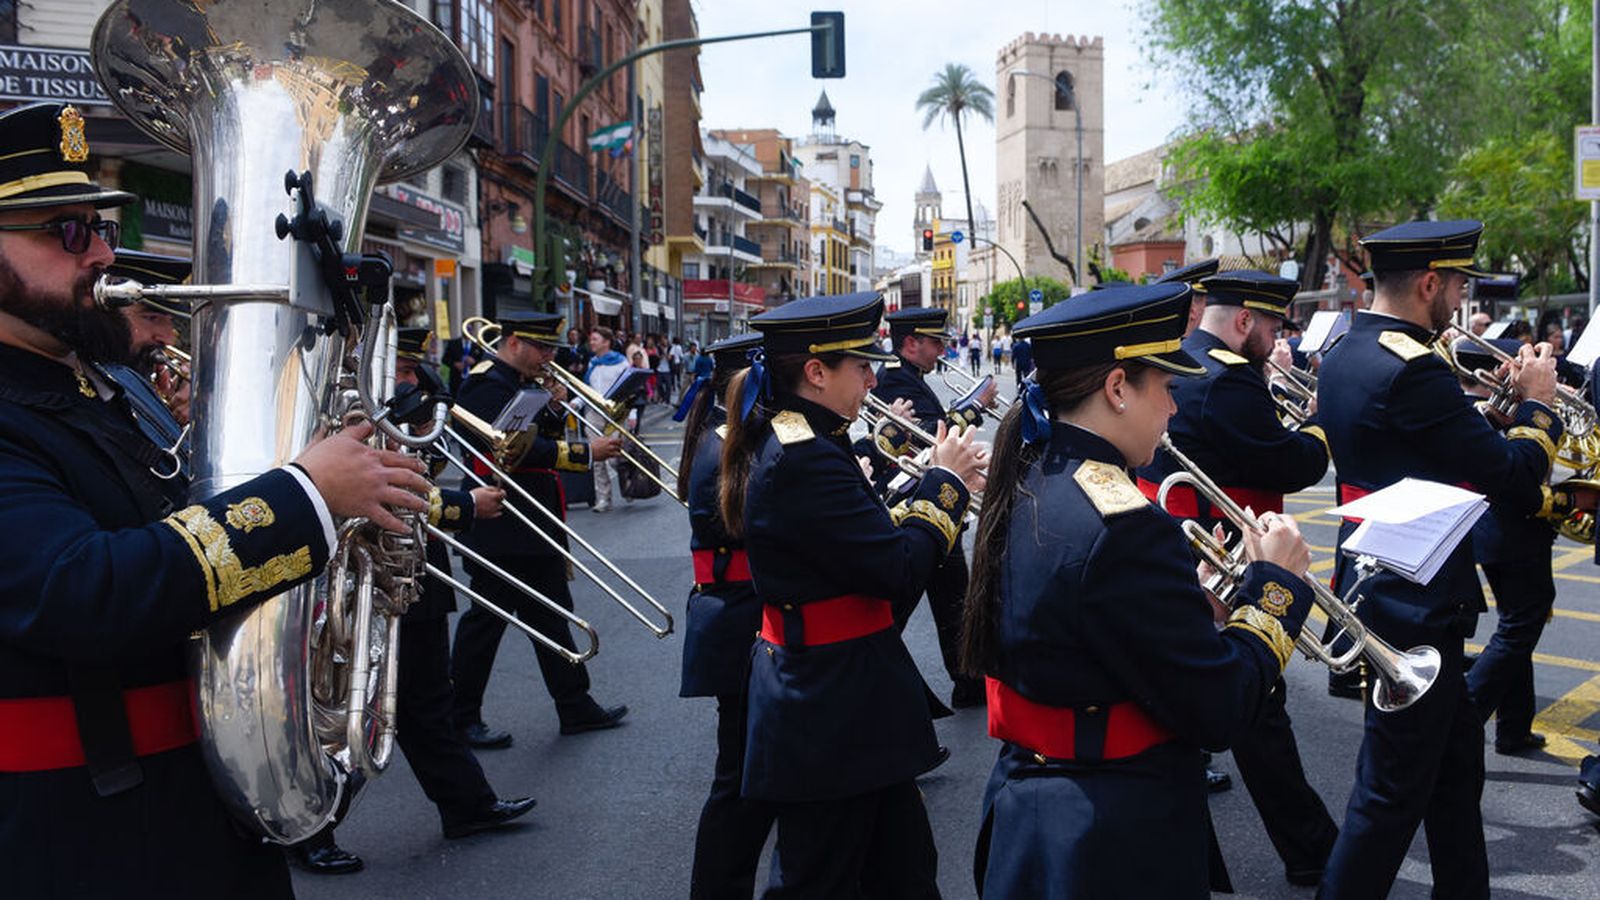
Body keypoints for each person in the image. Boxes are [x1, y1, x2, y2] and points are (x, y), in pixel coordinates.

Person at [0, 101, 434, 898]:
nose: (101, 252)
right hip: (90, 837)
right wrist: (305, 494)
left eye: (99, 227)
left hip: (202, 804)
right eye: (67, 233)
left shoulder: (109, 384)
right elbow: (79, 590)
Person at [962, 283, 1315, 899]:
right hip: (1110, 830)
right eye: (1167, 389)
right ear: (1118, 388)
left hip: (1034, 805)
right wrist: (1273, 591)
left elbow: (1081, 630)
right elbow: (1220, 710)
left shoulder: (1033, 471)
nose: (1174, 409)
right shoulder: (1126, 525)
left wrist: (1184, 605)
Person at [1315, 220, 1567, 900]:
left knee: (1456, 779)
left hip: (1382, 583)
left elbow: (1421, 445)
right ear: (1429, 283)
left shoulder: (1347, 350)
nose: (1459, 298)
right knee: (1387, 798)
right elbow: (1514, 476)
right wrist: (1537, 408)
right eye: (1456, 284)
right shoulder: (1414, 368)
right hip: (1415, 600)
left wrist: (1492, 410)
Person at [721, 291, 986, 896]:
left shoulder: (807, 433)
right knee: (818, 876)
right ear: (816, 372)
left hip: (845, 692)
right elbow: (894, 571)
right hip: (829, 703)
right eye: (860, 365)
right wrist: (944, 488)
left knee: (905, 870)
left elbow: (848, 547)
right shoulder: (805, 454)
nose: (873, 375)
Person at [292, 329, 536, 874]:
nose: (405, 379)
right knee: (344, 710)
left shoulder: (397, 403)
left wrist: (422, 436)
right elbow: (357, 495)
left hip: (407, 568)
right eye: (397, 366)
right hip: (352, 577)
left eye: (408, 367)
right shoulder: (329, 408)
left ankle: (466, 804)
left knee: (427, 700)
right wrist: (463, 508)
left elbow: (415, 478)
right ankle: (309, 828)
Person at [1132, 269, 1338, 887]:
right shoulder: (1232, 380)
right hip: (1230, 542)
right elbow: (1289, 460)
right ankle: (1309, 846)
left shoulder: (1190, 356)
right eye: (1272, 324)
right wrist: (1321, 425)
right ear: (1245, 321)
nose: (1278, 336)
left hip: (1183, 531)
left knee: (1202, 686)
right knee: (1258, 698)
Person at [449, 311, 628, 747]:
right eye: (541, 348)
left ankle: (575, 705)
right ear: (513, 342)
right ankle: (460, 717)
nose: (548, 357)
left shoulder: (517, 383)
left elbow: (531, 435)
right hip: (502, 522)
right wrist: (586, 453)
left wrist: (550, 405)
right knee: (486, 623)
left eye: (551, 349)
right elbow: (509, 453)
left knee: (552, 616)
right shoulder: (486, 384)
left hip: (531, 521)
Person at [677, 332, 775, 898]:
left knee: (749, 776)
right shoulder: (729, 444)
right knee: (738, 781)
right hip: (740, 623)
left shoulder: (731, 434)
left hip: (740, 620)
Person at [871, 306, 996, 710]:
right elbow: (933, 440)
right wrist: (975, 405)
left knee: (954, 598)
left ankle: (970, 680)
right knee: (908, 605)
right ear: (911, 343)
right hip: (916, 509)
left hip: (933, 508)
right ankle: (878, 668)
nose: (942, 349)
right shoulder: (895, 381)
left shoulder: (910, 378)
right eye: (935, 341)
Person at [1449, 337, 1555, 756]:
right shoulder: (1481, 414)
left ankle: (1514, 725)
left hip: (1501, 532)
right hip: (1510, 530)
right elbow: (1522, 474)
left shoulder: (1488, 410)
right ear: (1497, 371)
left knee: (1519, 618)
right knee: (1520, 624)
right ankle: (1463, 723)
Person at [584, 325, 631, 512]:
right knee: (596, 457)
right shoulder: (592, 363)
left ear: (606, 341)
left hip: (616, 413)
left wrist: (632, 413)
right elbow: (587, 388)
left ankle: (627, 486)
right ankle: (603, 498)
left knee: (614, 457)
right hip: (594, 412)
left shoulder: (621, 363)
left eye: (595, 339)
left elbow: (629, 390)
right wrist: (576, 403)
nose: (591, 342)